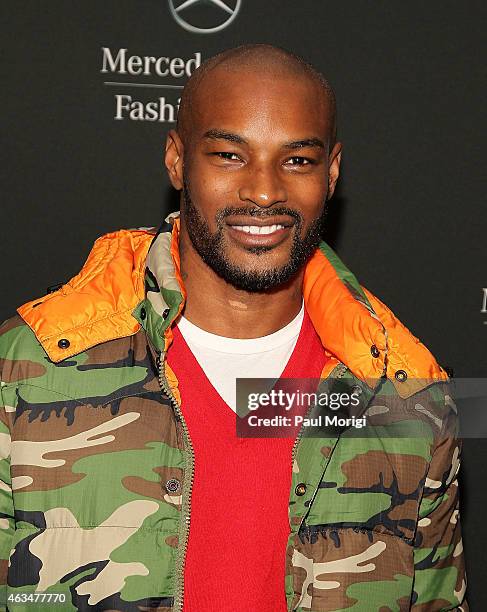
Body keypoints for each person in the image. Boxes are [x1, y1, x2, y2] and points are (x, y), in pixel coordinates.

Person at [0, 44, 467, 612]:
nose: (264, 191)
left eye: (297, 160)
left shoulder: (405, 398)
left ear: (333, 171)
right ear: (176, 160)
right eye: (228, 155)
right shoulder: (28, 371)